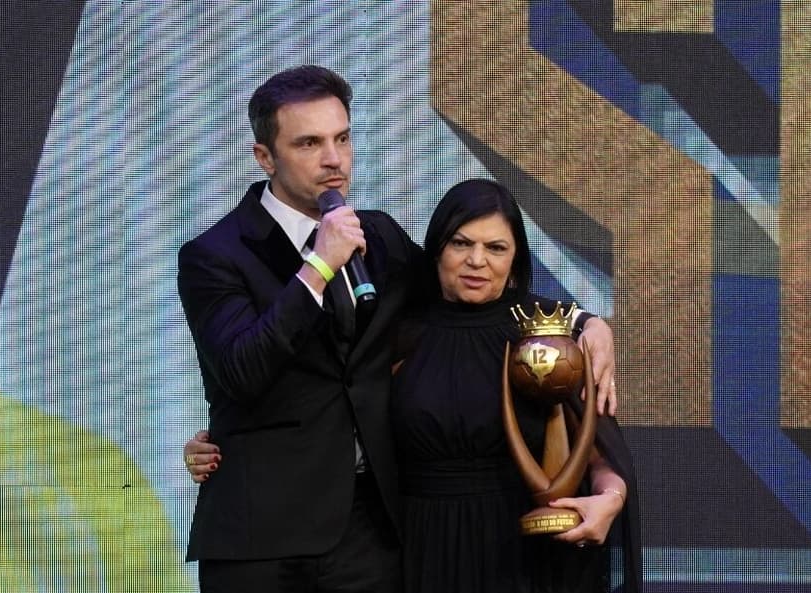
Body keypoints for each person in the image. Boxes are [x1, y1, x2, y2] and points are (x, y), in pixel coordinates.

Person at [185, 178, 641, 592]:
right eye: (461, 243)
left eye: (496, 247)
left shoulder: (546, 339)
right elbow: (312, 387)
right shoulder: (395, 331)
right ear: (435, 251)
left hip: (520, 555)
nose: (477, 260)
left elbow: (598, 452)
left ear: (516, 257)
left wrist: (609, 499)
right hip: (415, 553)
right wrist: (220, 440)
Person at [177, 65, 423, 592]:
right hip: (260, 537)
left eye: (342, 138)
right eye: (309, 143)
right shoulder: (215, 255)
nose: (333, 159)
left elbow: (467, 301)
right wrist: (319, 266)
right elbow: (242, 369)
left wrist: (579, 322)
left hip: (369, 531)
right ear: (265, 157)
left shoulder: (378, 237)